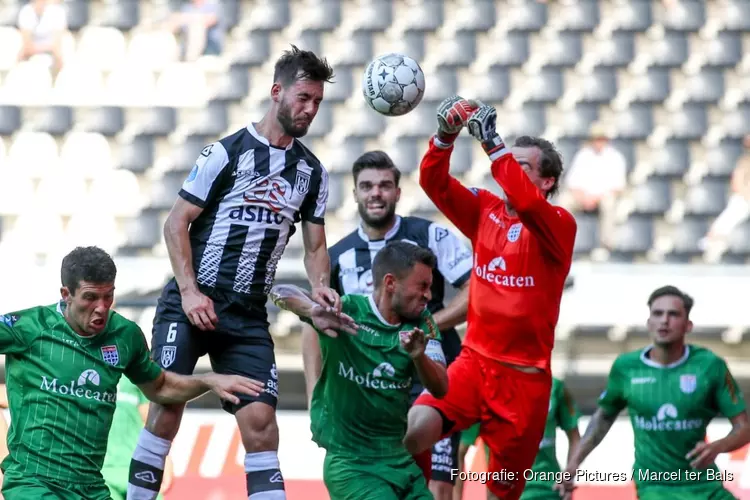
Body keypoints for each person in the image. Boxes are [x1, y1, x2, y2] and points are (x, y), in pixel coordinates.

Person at [128, 45, 340, 500]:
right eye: (303, 97)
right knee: (166, 409)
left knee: (262, 425)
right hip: (192, 304)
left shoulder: (312, 172)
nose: (309, 109)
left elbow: (316, 246)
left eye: (317, 102)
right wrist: (188, 292)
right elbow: (174, 223)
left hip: (246, 317)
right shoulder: (225, 153)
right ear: (276, 92)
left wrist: (321, 288)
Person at [403, 96, 577, 500]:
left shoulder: (557, 225)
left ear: (546, 181)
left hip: (525, 384)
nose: (508, 171)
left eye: (522, 166)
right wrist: (445, 137)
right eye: (507, 163)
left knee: (501, 494)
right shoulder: (486, 210)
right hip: (475, 363)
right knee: (416, 429)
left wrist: (493, 144)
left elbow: (529, 204)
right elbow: (434, 183)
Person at [0, 246, 264, 500]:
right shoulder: (29, 327)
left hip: (90, 486)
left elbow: (160, 388)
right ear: (66, 294)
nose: (101, 307)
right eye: (90, 297)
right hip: (34, 483)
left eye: (108, 296)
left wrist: (208, 381)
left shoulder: (125, 336)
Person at [300, 150, 472, 500]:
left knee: (439, 481)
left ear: (397, 192)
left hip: (429, 370)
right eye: (366, 186)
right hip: (371, 386)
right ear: (355, 194)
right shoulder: (338, 256)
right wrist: (314, 396)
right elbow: (312, 324)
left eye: (384, 185)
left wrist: (424, 331)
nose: (375, 193)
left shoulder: (430, 237)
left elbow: (478, 292)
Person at [270, 240, 449, 500]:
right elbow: (278, 291)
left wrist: (419, 356)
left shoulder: (423, 323)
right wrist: (313, 310)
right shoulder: (346, 310)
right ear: (390, 283)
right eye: (422, 286)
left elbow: (441, 388)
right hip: (351, 464)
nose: (428, 296)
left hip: (398, 459)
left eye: (430, 287)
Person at [559, 286, 750, 500]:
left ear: (688, 325)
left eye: (673, 314)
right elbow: (602, 419)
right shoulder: (626, 368)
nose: (664, 320)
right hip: (655, 487)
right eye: (657, 314)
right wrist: (573, 465)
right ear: (649, 322)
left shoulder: (710, 366)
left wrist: (718, 446)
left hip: (705, 486)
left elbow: (743, 428)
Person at [103, 377, 174, 500]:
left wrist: (166, 458)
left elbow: (151, 422)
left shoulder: (135, 370)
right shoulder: (87, 368)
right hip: (103, 472)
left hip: (139, 468)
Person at [520, 377, 580, 500]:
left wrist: (568, 477)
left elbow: (575, 438)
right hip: (507, 492)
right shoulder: (488, 387)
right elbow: (468, 441)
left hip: (550, 491)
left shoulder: (555, 387)